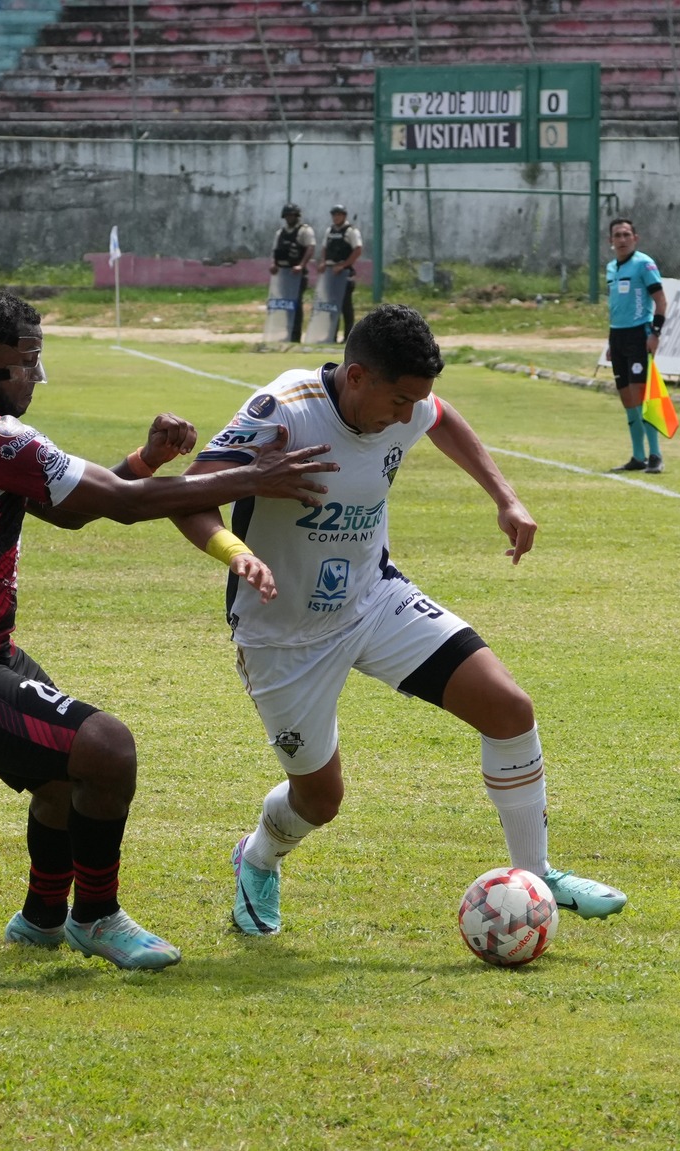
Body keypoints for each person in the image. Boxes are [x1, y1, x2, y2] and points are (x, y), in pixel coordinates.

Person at [0, 288, 336, 970]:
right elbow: (118, 508)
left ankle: (40, 918)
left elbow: (72, 509)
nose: (37, 374)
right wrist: (248, 476)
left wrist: (146, 460)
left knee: (68, 773)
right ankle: (95, 915)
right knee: (107, 747)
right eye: (28, 360)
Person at [167, 304, 629, 938]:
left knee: (508, 708)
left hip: (372, 599)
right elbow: (190, 492)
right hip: (282, 633)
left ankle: (536, 876)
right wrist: (237, 552)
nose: (410, 414)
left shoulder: (408, 406)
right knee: (320, 802)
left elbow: (442, 419)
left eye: (420, 398)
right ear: (356, 376)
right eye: (400, 399)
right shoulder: (285, 410)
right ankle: (259, 856)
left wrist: (505, 496)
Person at [604, 218, 668, 474]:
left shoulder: (644, 264)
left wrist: (655, 333)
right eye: (617, 235)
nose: (622, 239)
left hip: (638, 335)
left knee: (642, 396)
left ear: (635, 238)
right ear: (611, 241)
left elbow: (661, 302)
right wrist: (609, 341)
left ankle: (655, 455)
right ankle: (637, 456)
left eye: (626, 234)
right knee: (627, 399)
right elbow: (616, 305)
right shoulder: (611, 268)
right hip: (617, 336)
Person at [271, 204, 317, 342]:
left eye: (292, 215)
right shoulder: (281, 232)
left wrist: (301, 265)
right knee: (285, 304)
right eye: (287, 216)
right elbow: (275, 251)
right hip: (283, 273)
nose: (289, 218)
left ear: (297, 216)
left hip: (297, 274)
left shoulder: (304, 231)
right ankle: (288, 332)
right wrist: (274, 265)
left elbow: (310, 248)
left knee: (296, 304)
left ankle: (295, 335)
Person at [320, 204, 364, 340]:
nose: (336, 217)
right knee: (332, 307)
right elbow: (324, 248)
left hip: (344, 273)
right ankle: (332, 335)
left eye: (338, 214)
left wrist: (344, 265)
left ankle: (348, 337)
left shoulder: (351, 231)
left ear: (344, 216)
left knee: (346, 307)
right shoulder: (330, 231)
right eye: (334, 215)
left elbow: (358, 250)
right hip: (331, 272)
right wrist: (323, 262)